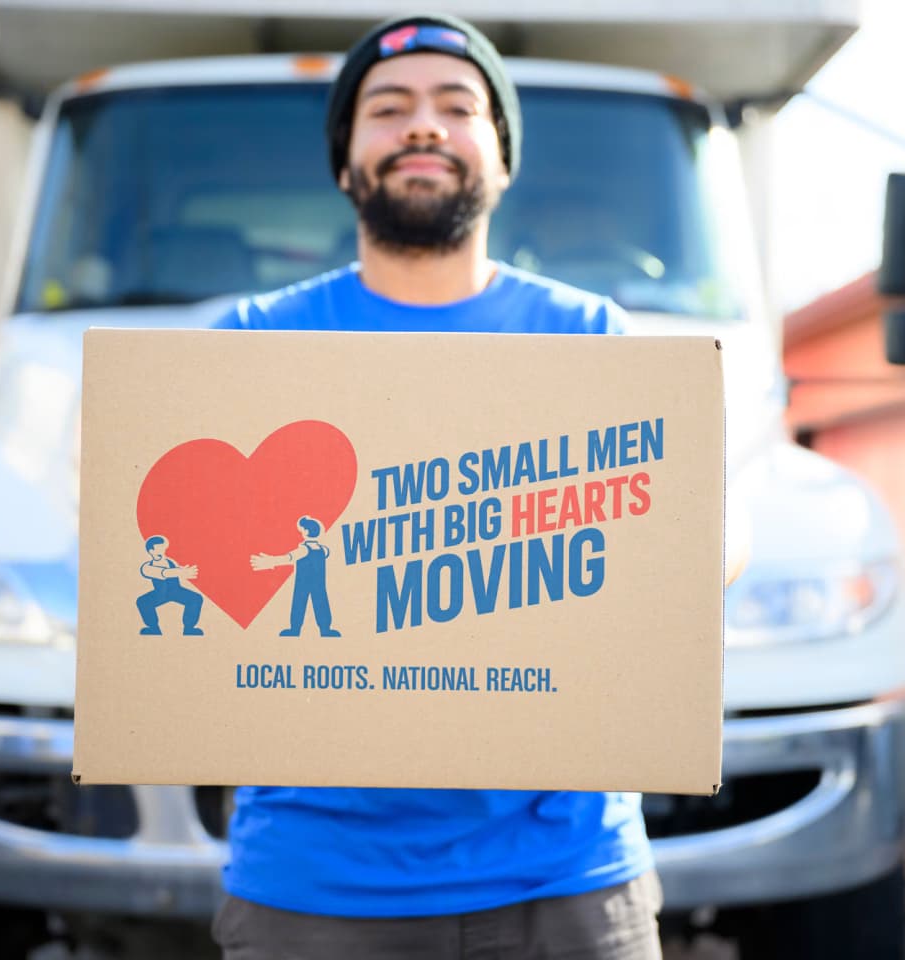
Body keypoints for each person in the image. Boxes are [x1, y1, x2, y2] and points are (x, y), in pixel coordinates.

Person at [211, 14, 665, 959]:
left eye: (458, 108)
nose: (424, 127)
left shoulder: (590, 339)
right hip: (313, 883)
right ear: (346, 163)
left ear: (501, 157)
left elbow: (703, 511)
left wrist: (697, 546)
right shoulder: (251, 342)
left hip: (565, 877)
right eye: (389, 108)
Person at [249, 515, 341, 637]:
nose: (301, 532)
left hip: (303, 582)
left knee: (299, 603)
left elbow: (289, 558)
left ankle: (296, 629)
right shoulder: (323, 549)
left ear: (306, 532)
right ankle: (324, 629)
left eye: (301, 530)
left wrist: (271, 561)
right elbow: (327, 553)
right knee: (321, 603)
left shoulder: (304, 549)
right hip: (318, 583)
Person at [135, 534, 205, 636]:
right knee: (142, 601)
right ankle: (153, 628)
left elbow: (177, 569)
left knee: (196, 598)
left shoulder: (170, 561)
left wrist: (184, 571)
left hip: (176, 591)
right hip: (160, 594)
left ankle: (189, 628)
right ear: (151, 551)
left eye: (162, 549)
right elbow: (163, 572)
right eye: (158, 549)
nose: (162, 552)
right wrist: (179, 572)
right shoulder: (147, 567)